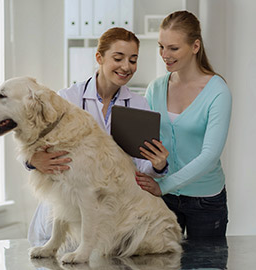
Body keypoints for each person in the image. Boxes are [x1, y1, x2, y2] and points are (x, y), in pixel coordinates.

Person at [26, 27, 169, 247]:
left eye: (133, 60)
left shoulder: (140, 105)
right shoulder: (67, 98)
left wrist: (157, 166)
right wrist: (31, 161)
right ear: (99, 58)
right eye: (118, 58)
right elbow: (31, 138)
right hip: (65, 210)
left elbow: (140, 167)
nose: (126, 67)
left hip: (107, 213)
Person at [136, 10, 232, 239]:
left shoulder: (218, 92)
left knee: (205, 264)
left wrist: (164, 185)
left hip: (205, 200)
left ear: (195, 47)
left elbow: (210, 156)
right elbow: (143, 140)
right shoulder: (156, 88)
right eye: (161, 46)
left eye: (173, 48)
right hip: (163, 199)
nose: (164, 54)